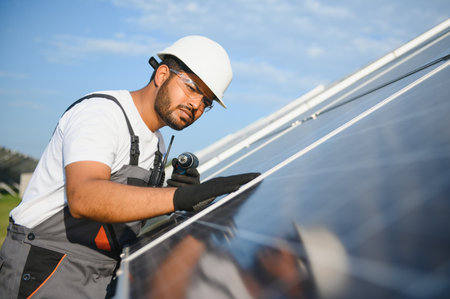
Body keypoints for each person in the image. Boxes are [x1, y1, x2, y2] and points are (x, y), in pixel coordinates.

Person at [0, 35, 259, 298]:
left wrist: (170, 204)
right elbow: (84, 198)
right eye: (192, 88)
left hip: (100, 276)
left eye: (206, 102)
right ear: (161, 74)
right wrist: (178, 197)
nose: (196, 105)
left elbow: (122, 221)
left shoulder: (156, 145)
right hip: (46, 266)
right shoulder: (102, 114)